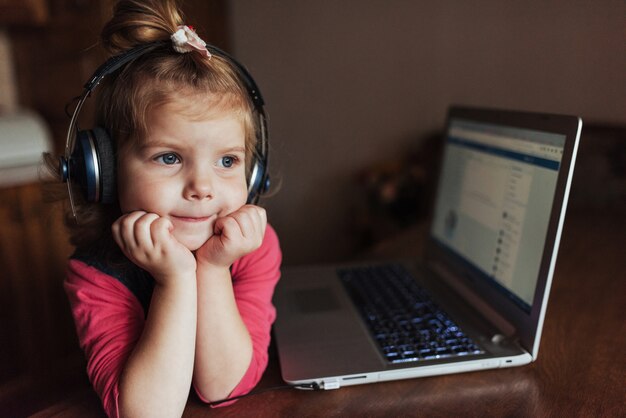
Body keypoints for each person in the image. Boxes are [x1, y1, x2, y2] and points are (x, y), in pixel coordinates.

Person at [44, 1, 281, 416]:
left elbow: (223, 388)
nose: (203, 188)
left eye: (228, 161)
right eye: (169, 158)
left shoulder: (254, 247)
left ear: (254, 170)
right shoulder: (96, 274)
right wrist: (175, 280)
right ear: (108, 170)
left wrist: (211, 268)